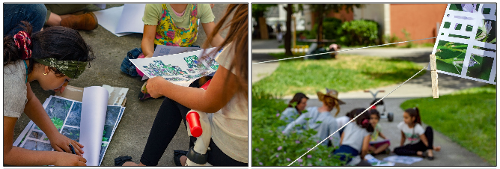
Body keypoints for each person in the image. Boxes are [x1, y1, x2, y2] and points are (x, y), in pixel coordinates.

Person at [119, 4, 248, 166]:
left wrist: (163, 87)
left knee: (176, 95)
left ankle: (149, 164)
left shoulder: (241, 46)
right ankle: (192, 157)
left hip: (232, 155)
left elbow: (210, 103)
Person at [4, 21, 95, 166]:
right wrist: (56, 158)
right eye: (65, 79)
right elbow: (5, 154)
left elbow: (29, 99)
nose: (64, 85)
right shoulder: (13, 87)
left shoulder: (23, 57)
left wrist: (54, 134)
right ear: (48, 69)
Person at [121, 4, 224, 100]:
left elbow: (214, 36)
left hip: (185, 52)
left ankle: (161, 87)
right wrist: (149, 56)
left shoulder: (201, 5)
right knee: (141, 66)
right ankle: (171, 86)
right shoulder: (155, 5)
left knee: (210, 66)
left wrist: (231, 50)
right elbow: (148, 39)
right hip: (159, 54)